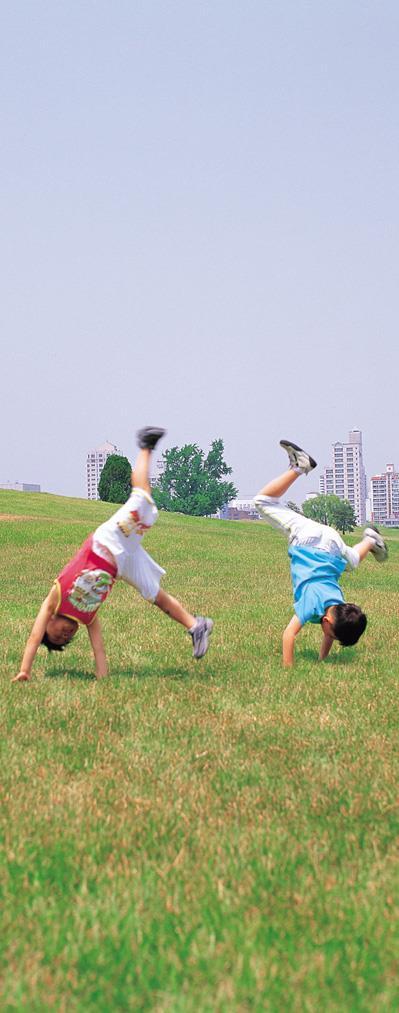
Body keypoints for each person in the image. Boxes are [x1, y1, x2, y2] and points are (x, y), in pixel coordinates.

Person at [12, 427, 213, 682]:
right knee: (153, 593)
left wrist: (25, 670)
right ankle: (197, 626)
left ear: (48, 623)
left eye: (57, 635)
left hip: (108, 541)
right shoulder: (88, 616)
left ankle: (144, 446)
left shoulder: (55, 599)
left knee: (141, 497)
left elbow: (32, 637)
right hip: (121, 564)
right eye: (67, 639)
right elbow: (98, 648)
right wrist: (102, 678)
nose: (66, 634)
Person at [254, 440, 387, 667]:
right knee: (263, 501)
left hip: (331, 544)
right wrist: (288, 670)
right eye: (332, 635)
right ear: (327, 621)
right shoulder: (311, 606)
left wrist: (321, 660)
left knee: (352, 561)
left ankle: (370, 540)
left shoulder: (339, 605)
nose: (329, 637)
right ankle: (300, 466)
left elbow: (328, 632)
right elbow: (289, 635)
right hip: (309, 539)